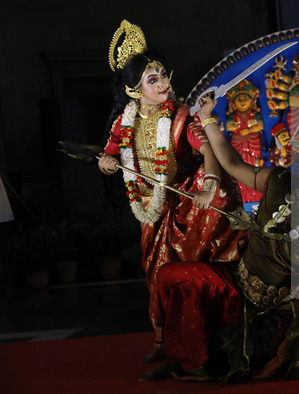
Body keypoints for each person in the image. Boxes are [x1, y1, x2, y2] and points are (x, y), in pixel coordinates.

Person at [142, 94, 299, 381]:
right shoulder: (280, 181)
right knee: (170, 275)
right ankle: (177, 357)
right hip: (238, 282)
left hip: (281, 311)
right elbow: (232, 163)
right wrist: (208, 118)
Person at [97, 20, 243, 363]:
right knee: (156, 274)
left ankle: (211, 338)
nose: (164, 82)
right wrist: (105, 160)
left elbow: (207, 150)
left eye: (163, 75)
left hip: (190, 207)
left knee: (193, 273)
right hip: (152, 208)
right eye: (153, 79)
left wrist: (209, 186)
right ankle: (165, 342)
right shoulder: (125, 121)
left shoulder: (179, 116)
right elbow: (112, 150)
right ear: (135, 91)